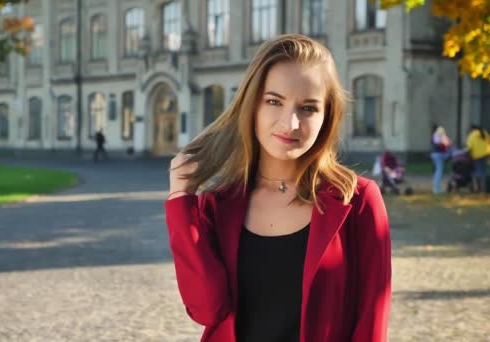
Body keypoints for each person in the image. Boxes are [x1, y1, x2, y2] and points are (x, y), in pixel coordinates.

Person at [165, 34, 391, 342]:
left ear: (327, 116)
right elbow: (206, 310)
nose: (291, 123)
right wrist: (181, 198)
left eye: (308, 108)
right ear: (252, 105)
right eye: (274, 101)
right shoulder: (217, 205)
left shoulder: (359, 201)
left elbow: (371, 322)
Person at [466, 125, 490, 192]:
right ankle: (484, 188)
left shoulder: (471, 136)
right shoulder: (485, 133)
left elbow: (469, 147)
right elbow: (489, 144)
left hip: (476, 156)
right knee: (483, 171)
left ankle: (477, 187)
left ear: (472, 129)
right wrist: (489, 153)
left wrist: (468, 154)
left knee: (477, 171)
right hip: (485, 155)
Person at [430, 125, 452, 193]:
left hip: (435, 154)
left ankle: (436, 187)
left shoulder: (434, 135)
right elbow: (442, 144)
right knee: (439, 171)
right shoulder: (437, 135)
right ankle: (436, 188)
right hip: (438, 155)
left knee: (437, 170)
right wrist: (445, 144)